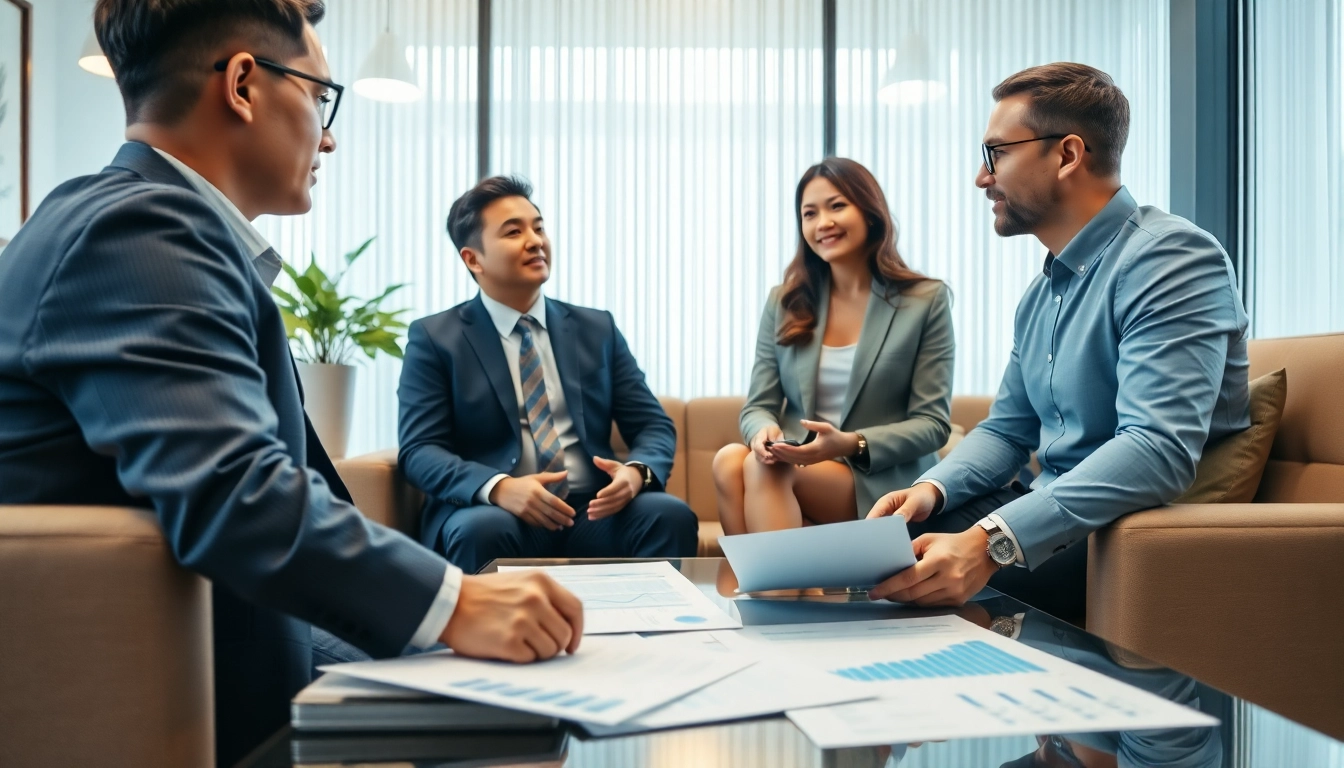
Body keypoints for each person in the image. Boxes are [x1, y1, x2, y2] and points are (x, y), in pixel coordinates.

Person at [0, 2, 581, 763]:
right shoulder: (138, 232)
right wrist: (457, 603)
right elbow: (237, 497)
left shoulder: (139, 221)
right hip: (206, 684)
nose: (330, 134)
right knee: (529, 727)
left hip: (241, 633)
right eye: (319, 96)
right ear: (243, 84)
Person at [867, 63, 1250, 622]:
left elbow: (1156, 449)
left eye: (996, 153)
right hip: (1048, 506)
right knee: (887, 551)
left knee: (908, 581)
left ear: (1068, 154)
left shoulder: (1172, 259)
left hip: (1120, 526)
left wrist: (990, 543)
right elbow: (1006, 429)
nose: (982, 177)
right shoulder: (1041, 293)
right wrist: (931, 489)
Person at [398, 175, 699, 574]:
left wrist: (636, 473)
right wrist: (499, 487)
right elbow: (419, 449)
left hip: (592, 506)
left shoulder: (597, 328)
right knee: (480, 531)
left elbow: (652, 425)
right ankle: (487, 638)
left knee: (668, 514)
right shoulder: (436, 338)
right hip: (498, 510)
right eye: (513, 231)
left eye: (539, 227)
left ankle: (657, 634)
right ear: (473, 259)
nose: (536, 240)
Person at [712, 157, 955, 534]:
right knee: (729, 459)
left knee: (763, 468)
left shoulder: (925, 300)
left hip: (878, 479)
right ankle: (788, 589)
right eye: (809, 213)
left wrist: (849, 444)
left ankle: (770, 590)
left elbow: (932, 425)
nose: (822, 222)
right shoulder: (785, 302)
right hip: (799, 465)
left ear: (870, 212)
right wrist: (763, 432)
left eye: (837, 206)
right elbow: (758, 406)